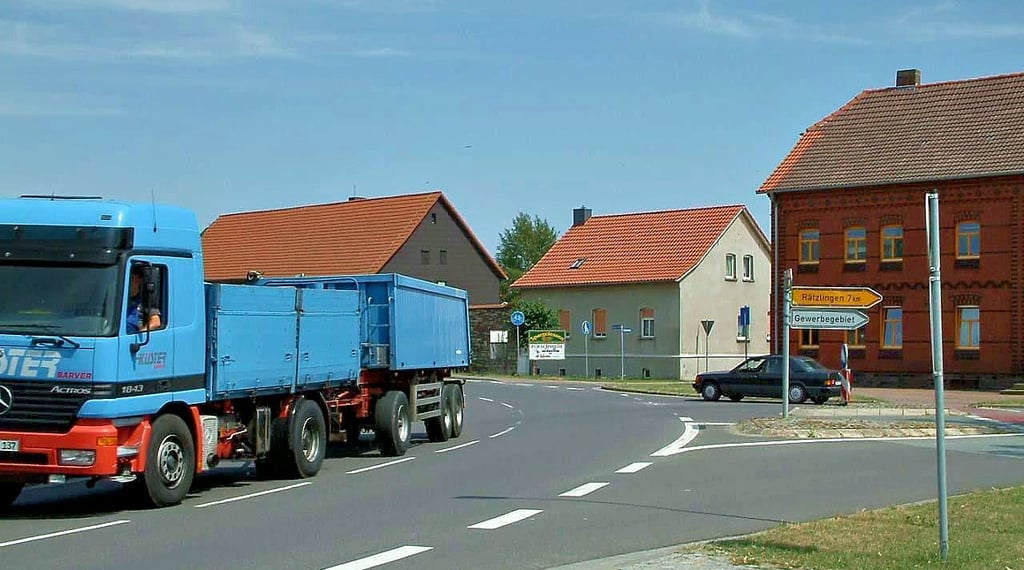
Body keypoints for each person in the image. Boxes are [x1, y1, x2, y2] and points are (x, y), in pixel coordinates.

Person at [127, 267, 162, 333]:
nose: (128, 283)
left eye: (131, 279)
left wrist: (139, 333)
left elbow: (156, 322)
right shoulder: (117, 300)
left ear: (140, 280)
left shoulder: (145, 301)